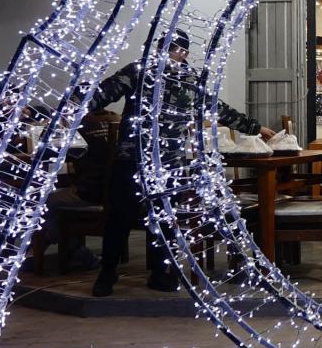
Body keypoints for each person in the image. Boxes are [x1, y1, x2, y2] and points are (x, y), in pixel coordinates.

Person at [87, 29, 273, 297]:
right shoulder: (140, 72)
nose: (170, 55)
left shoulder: (189, 80)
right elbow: (103, 93)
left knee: (162, 219)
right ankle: (109, 272)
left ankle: (159, 273)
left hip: (166, 164)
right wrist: (74, 107)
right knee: (121, 217)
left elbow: (217, 109)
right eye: (166, 49)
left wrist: (254, 127)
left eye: (174, 50)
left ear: (183, 52)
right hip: (133, 160)